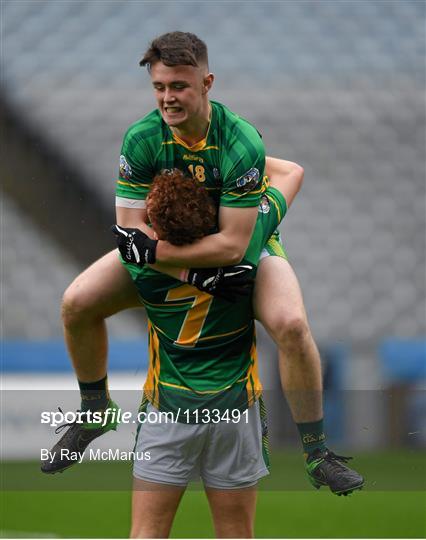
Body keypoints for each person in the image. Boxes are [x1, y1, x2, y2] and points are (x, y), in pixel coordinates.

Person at [42, 32, 363, 498]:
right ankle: (96, 411)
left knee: (292, 325)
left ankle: (317, 453)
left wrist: (165, 257)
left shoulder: (239, 141)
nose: (168, 97)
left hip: (248, 246)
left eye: (179, 86)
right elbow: (133, 235)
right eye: (159, 87)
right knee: (76, 302)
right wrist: (192, 274)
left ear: (207, 82)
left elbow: (233, 248)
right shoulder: (142, 138)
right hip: (176, 252)